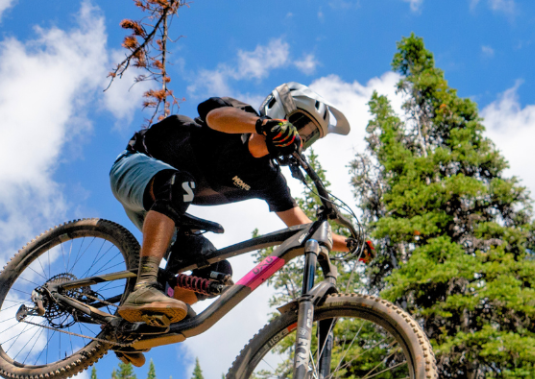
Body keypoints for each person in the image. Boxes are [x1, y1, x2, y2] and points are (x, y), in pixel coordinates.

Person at [108, 82, 358, 332]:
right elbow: (215, 116)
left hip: (166, 211)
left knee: (213, 271)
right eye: (302, 125)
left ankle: (136, 329)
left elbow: (303, 227)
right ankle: (144, 289)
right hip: (134, 169)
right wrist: (261, 125)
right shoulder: (238, 119)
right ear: (279, 111)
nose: (301, 138)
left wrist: (352, 244)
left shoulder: (268, 179)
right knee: (180, 185)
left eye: (310, 137)